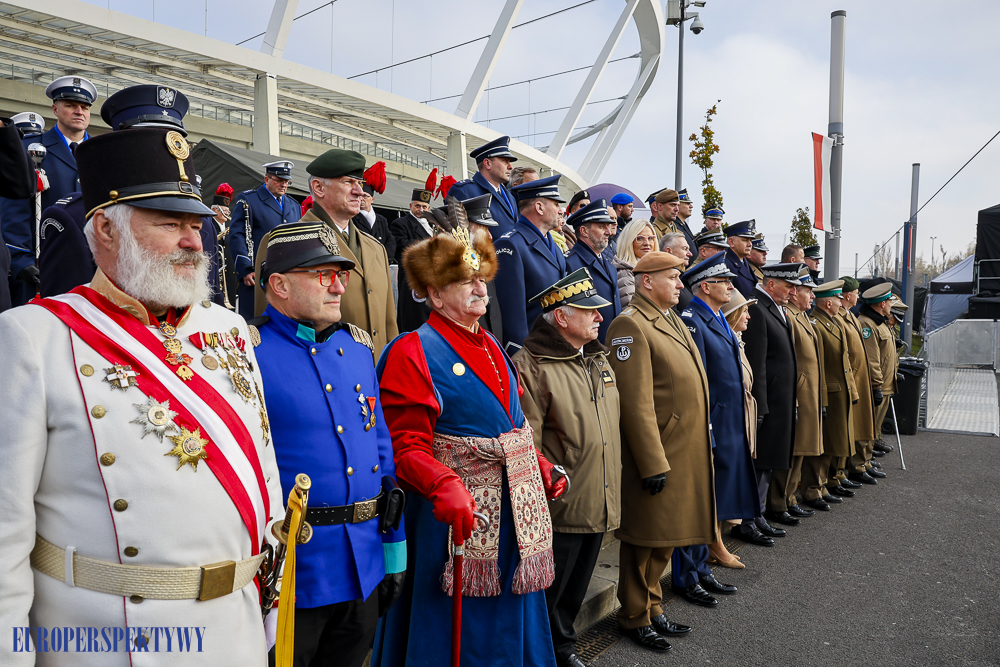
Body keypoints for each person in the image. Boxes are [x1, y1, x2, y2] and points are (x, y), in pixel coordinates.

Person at [0, 127, 284, 664]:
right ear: (105, 228)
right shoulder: (31, 338)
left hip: (238, 628)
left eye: (195, 225)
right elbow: (3, 535)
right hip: (111, 643)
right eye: (169, 224)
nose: (193, 242)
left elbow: (263, 472)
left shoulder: (227, 328)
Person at [372, 208, 567, 667]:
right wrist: (442, 484)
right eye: (466, 281)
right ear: (435, 294)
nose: (480, 287)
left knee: (507, 626)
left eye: (481, 278)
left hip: (511, 515)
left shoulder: (493, 345)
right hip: (450, 521)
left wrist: (538, 466)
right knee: (455, 638)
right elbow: (402, 446)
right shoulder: (411, 350)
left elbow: (511, 426)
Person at [253, 220, 406, 667]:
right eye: (323, 274)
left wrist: (393, 553)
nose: (339, 286)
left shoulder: (358, 349)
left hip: (364, 565)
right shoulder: (249, 352)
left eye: (340, 274)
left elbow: (382, 457)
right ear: (278, 285)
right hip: (294, 573)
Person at [607, 251, 714, 653]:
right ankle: (634, 615)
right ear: (647, 281)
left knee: (665, 535)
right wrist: (652, 460)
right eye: (673, 277)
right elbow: (635, 402)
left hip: (682, 449)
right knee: (644, 540)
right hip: (657, 452)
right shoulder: (629, 325)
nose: (681, 284)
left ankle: (652, 607)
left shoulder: (669, 319)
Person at [513, 268, 621, 667]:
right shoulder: (531, 365)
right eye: (588, 311)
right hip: (560, 506)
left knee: (574, 590)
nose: (599, 317)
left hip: (598, 495)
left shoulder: (596, 358)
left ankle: (562, 647)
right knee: (548, 593)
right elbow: (530, 444)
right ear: (561, 317)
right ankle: (539, 654)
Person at [36, 85, 216, 301]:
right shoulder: (76, 217)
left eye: (173, 138)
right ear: (121, 142)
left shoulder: (203, 224)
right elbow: (67, 316)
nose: (165, 148)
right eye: (146, 139)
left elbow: (208, 301)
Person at [672, 253, 754, 604]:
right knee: (699, 503)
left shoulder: (717, 317)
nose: (731, 287)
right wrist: (706, 426)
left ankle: (702, 568)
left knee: (715, 501)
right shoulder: (693, 320)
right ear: (705, 286)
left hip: (728, 421)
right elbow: (698, 380)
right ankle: (687, 575)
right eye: (725, 282)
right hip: (711, 423)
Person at [2, 75, 96, 306]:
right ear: (55, 109)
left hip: (92, 264)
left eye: (84, 107)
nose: (79, 112)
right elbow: (14, 208)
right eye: (71, 105)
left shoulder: (102, 153)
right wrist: (20, 261)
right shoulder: (28, 148)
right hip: (42, 262)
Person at [733, 262, 803, 546]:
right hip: (768, 402)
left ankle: (758, 513)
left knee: (770, 461)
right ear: (771, 283)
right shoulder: (759, 309)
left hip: (780, 398)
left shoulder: (774, 306)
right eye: (788, 286)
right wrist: (760, 406)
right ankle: (748, 519)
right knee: (759, 462)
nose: (793, 292)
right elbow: (757, 362)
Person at [766, 270, 832, 525]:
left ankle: (790, 498)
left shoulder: (801, 317)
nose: (811, 296)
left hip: (807, 393)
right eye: (808, 291)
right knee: (792, 449)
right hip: (797, 393)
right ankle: (779, 502)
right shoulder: (791, 317)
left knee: (801, 449)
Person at [493, 175, 568, 354]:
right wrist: (521, 358)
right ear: (539, 207)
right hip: (532, 354)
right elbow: (512, 315)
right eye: (556, 204)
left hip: (555, 347)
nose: (561, 210)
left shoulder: (555, 248)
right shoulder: (510, 245)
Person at [228, 160, 302, 319]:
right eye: (279, 180)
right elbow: (237, 235)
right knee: (255, 319)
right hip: (258, 273)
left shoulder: (293, 205)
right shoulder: (249, 200)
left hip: (287, 274)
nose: (284, 185)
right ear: (266, 179)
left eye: (286, 181)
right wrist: (245, 268)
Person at [810, 280, 858, 512]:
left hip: (841, 390)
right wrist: (823, 399)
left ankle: (827, 483)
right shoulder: (818, 325)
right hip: (830, 392)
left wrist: (852, 389)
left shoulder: (832, 322)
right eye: (838, 298)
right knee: (826, 443)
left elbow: (846, 360)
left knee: (835, 441)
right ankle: (816, 487)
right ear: (828, 302)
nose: (842, 301)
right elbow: (818, 365)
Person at [831, 276, 874, 496]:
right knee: (844, 431)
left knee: (854, 428)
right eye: (856, 293)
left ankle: (844, 472)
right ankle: (839, 474)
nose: (858, 296)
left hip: (858, 379)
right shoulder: (837, 318)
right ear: (848, 295)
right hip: (849, 381)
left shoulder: (850, 316)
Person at [854, 283, 897, 484]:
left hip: (886, 384)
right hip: (875, 385)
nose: (890, 304)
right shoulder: (867, 324)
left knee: (875, 428)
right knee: (866, 428)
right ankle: (859, 464)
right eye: (888, 301)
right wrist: (876, 385)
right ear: (881, 303)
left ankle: (867, 460)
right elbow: (872, 359)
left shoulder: (879, 322)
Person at [564, 199, 622, 343]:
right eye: (602, 227)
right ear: (584, 231)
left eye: (608, 226)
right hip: (589, 348)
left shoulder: (610, 266)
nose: (608, 232)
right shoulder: (570, 264)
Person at [448, 135, 519, 238]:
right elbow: (457, 236)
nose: (510, 166)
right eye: (504, 160)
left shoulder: (509, 196)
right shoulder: (465, 191)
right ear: (487, 163)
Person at [391, 184, 435, 333]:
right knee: (413, 320)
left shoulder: (432, 225)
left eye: (424, 206)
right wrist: (430, 244)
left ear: (428, 208)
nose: (420, 210)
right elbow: (403, 246)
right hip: (412, 280)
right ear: (410, 205)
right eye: (417, 206)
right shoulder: (401, 223)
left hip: (431, 278)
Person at [353, 161, 396, 260]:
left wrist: (386, 259)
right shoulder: (351, 217)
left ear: (372, 199)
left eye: (365, 196)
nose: (361, 199)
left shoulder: (381, 220)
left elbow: (390, 241)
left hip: (380, 261)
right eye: (358, 196)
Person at [613, 219, 655, 307]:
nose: (647, 243)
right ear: (628, 241)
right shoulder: (625, 273)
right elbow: (632, 310)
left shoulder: (654, 269)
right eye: (639, 238)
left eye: (650, 238)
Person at [724, 219, 759, 297]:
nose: (750, 244)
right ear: (731, 242)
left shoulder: (743, 261)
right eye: (745, 240)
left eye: (751, 240)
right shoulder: (725, 264)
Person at [659, 232, 693, 311]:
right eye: (684, 249)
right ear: (669, 251)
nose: (690, 254)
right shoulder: (662, 281)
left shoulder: (683, 278)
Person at [671, 188, 697, 253]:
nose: (691, 206)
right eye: (687, 203)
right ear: (678, 206)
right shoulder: (674, 226)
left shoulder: (683, 225)